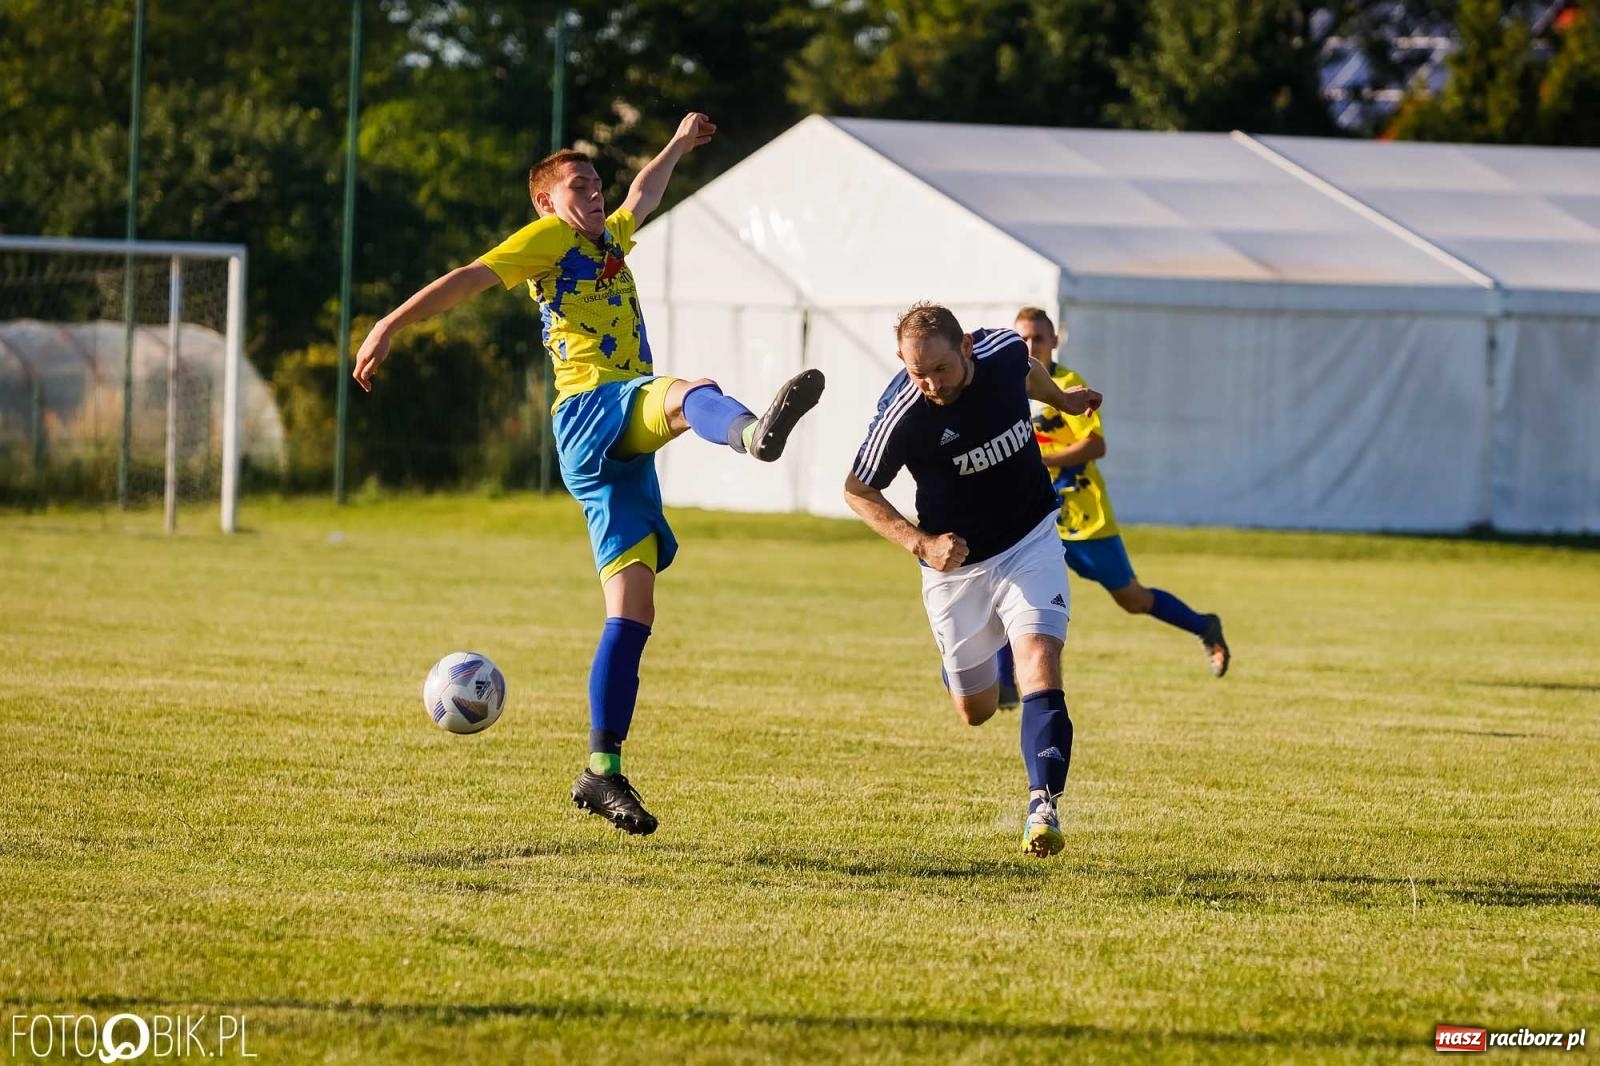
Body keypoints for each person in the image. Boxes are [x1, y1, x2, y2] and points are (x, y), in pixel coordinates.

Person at [352, 112, 825, 836]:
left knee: (632, 612)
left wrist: (674, 146)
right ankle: (753, 434)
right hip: (592, 411)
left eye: (596, 182)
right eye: (579, 184)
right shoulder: (547, 239)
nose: (596, 193)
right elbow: (469, 278)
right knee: (682, 392)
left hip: (614, 453)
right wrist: (391, 323)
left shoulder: (609, 238)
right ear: (546, 202)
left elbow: (644, 195)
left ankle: (601, 773)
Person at [843, 302, 1102, 858]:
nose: (932, 384)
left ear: (965, 346)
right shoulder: (903, 416)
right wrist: (921, 543)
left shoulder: (1003, 349)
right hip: (956, 568)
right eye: (918, 373)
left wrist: (1062, 400)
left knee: (1039, 657)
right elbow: (857, 491)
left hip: (1030, 537)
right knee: (976, 710)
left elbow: (1026, 372)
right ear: (901, 363)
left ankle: (1043, 805)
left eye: (940, 369)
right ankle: (966, 660)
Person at [1006, 307, 1229, 689]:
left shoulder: (1066, 382)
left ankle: (1204, 625)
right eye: (1022, 338)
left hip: (1079, 515)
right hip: (1031, 514)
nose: (1030, 345)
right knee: (1009, 591)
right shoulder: (1004, 387)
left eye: (1038, 338)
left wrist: (1042, 459)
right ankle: (1005, 684)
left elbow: (1095, 445)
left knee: (1133, 599)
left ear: (1054, 341)